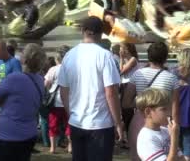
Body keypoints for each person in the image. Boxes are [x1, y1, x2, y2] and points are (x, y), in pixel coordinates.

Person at [58, 16, 123, 161]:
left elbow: (63, 91)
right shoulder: (105, 56)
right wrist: (118, 123)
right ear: (101, 34)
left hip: (77, 122)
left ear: (83, 31)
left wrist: (71, 113)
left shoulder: (69, 56)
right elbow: (111, 93)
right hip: (100, 124)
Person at [124, 42, 180, 161]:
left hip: (139, 119)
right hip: (163, 122)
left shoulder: (137, 74)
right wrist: (175, 128)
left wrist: (143, 103)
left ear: (149, 56)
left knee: (135, 157)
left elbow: (126, 102)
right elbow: (175, 109)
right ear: (165, 58)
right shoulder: (172, 78)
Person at [0, 43, 47, 160]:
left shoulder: (15, 78)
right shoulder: (40, 81)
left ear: (24, 59)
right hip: (29, 134)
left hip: (9, 135)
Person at [135, 88, 180, 161]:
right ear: (148, 112)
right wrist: (174, 138)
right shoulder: (146, 138)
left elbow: (181, 158)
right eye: (164, 109)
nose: (169, 113)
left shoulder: (166, 130)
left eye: (169, 108)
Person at [44, 46, 72, 154]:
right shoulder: (73, 68)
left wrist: (49, 90)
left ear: (57, 58)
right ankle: (70, 146)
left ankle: (53, 148)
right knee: (70, 124)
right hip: (70, 101)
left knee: (53, 125)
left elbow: (46, 84)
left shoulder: (53, 69)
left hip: (55, 102)